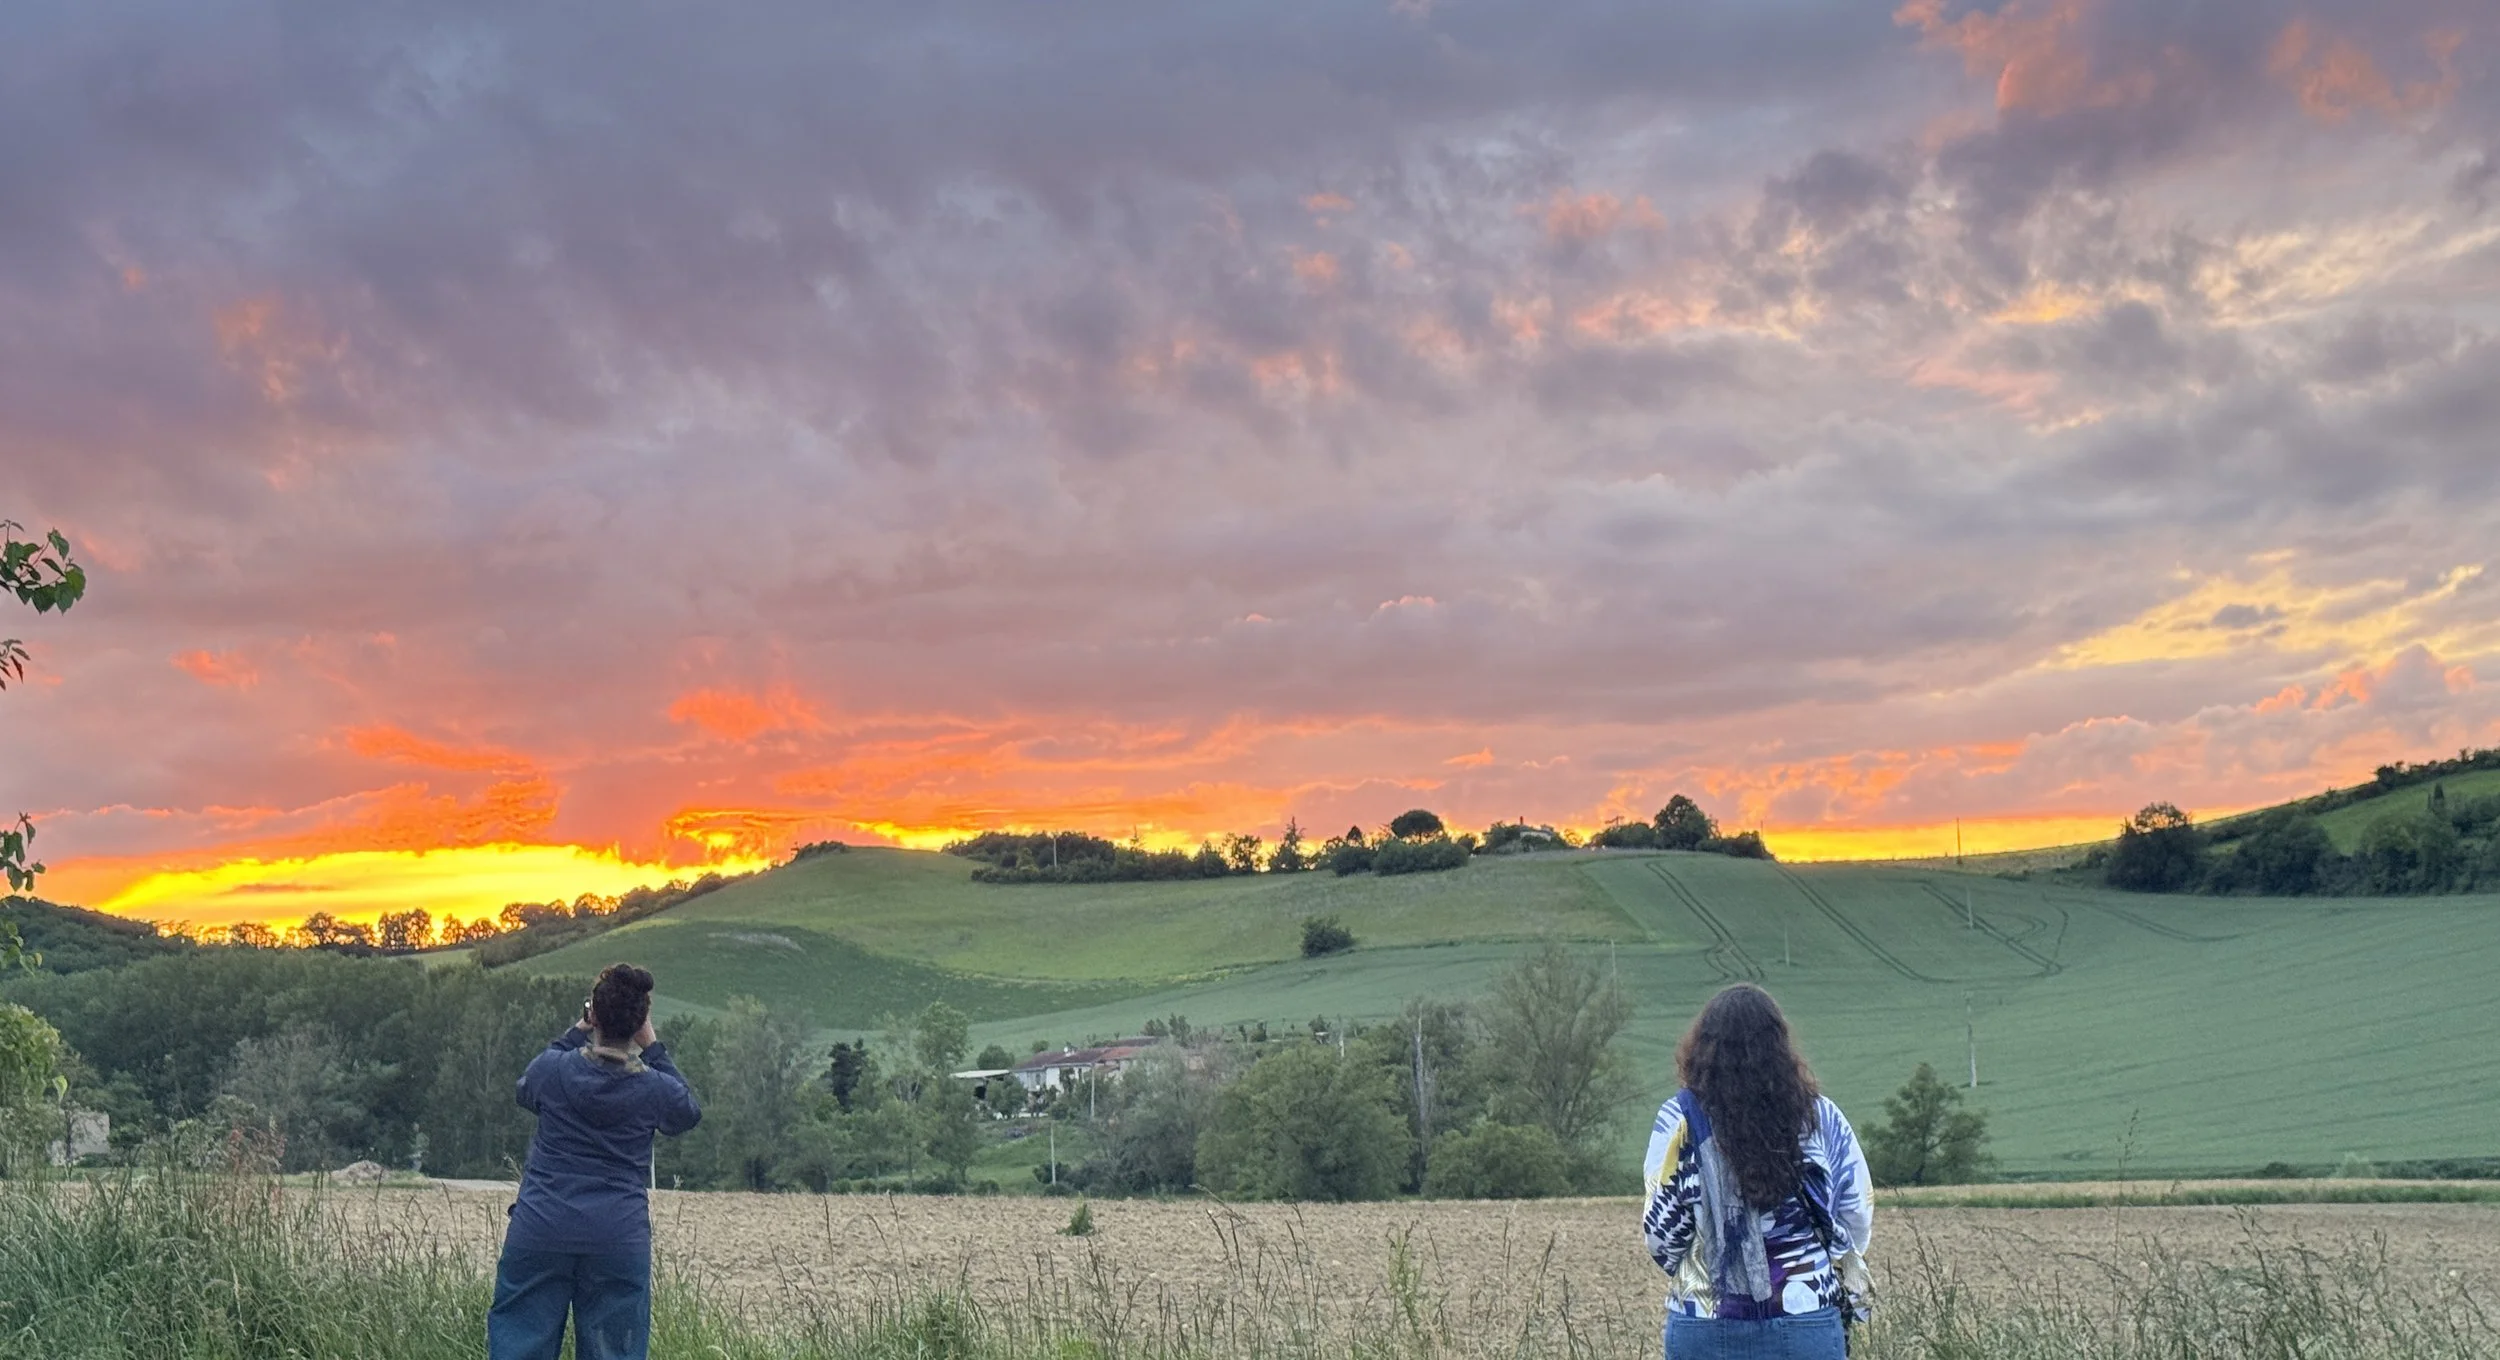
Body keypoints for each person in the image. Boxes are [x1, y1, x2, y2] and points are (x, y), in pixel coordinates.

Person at [1641, 983, 1870, 1359]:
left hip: (1704, 1325)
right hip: (1807, 1323)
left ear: (1703, 1047)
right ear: (1780, 1047)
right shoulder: (1820, 1116)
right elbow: (1855, 1214)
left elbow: (1661, 1238)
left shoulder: (1678, 1119)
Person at [488, 962, 702, 1360]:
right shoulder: (654, 1089)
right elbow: (687, 1111)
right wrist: (652, 1045)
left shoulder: (552, 1070)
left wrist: (574, 1033)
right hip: (617, 1236)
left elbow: (525, 1090)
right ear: (640, 1021)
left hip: (541, 1227)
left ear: (594, 1014)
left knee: (519, 1345)